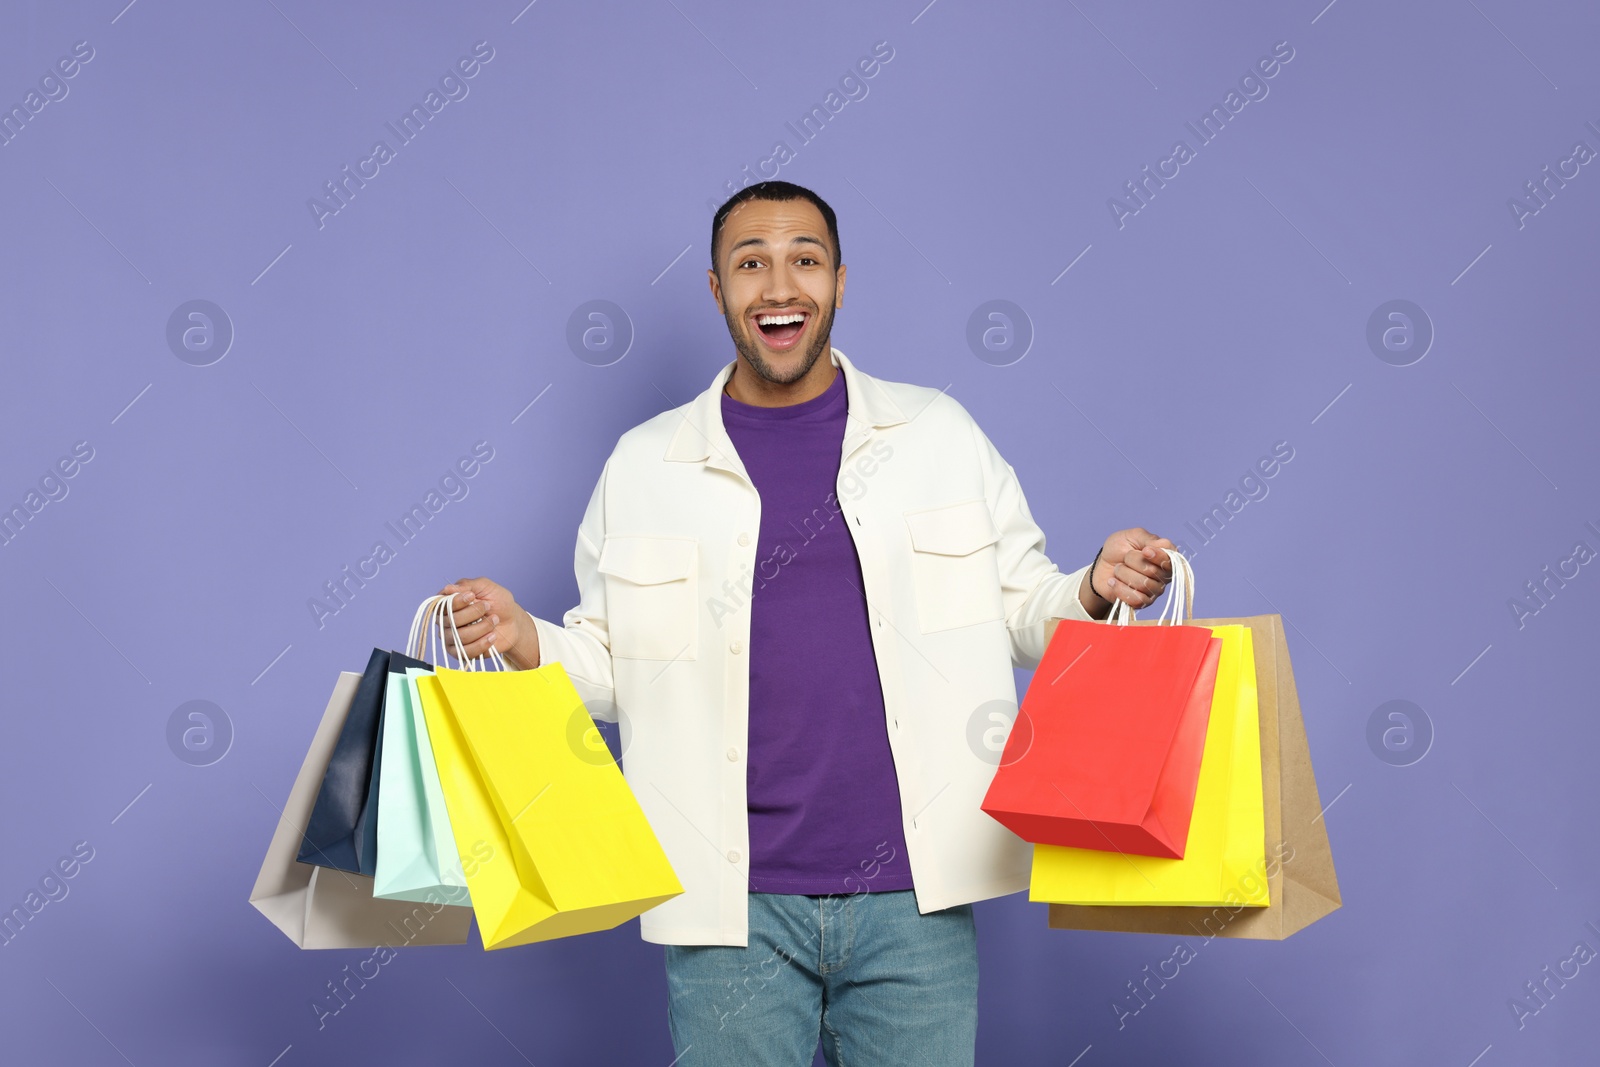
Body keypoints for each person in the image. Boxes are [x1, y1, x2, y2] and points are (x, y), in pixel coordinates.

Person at [436, 180, 1176, 1066]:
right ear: (717, 289)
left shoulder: (937, 435)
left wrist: (1095, 585)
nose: (779, 286)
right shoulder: (646, 466)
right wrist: (523, 635)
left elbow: (1020, 610)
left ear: (840, 280)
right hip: (725, 906)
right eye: (751, 264)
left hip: (918, 898)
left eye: (804, 260)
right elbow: (611, 673)